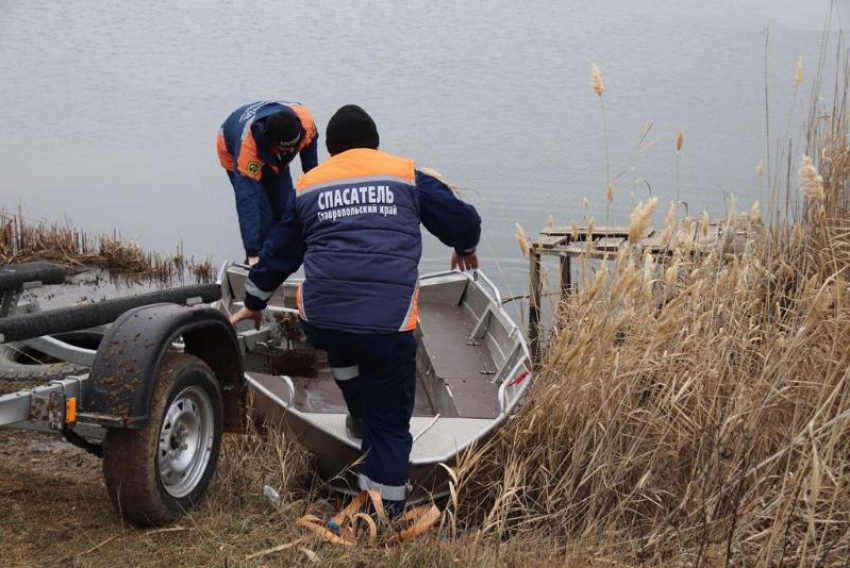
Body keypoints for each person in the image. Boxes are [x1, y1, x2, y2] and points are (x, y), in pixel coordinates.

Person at [230, 104, 481, 516]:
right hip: (387, 327)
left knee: (346, 357)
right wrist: (465, 247)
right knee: (390, 425)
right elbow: (463, 221)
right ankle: (382, 516)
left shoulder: (310, 185)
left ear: (330, 151)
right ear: (376, 143)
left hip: (325, 324)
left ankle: (360, 415)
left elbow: (279, 252)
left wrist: (255, 302)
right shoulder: (405, 175)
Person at [217, 101, 318, 265]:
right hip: (234, 150)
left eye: (293, 148)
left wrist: (315, 191)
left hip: (274, 158)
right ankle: (256, 266)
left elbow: (310, 164)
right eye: (285, 150)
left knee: (286, 211)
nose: (291, 152)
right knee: (264, 220)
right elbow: (247, 199)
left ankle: (280, 264)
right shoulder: (248, 150)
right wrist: (252, 251)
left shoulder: (305, 123)